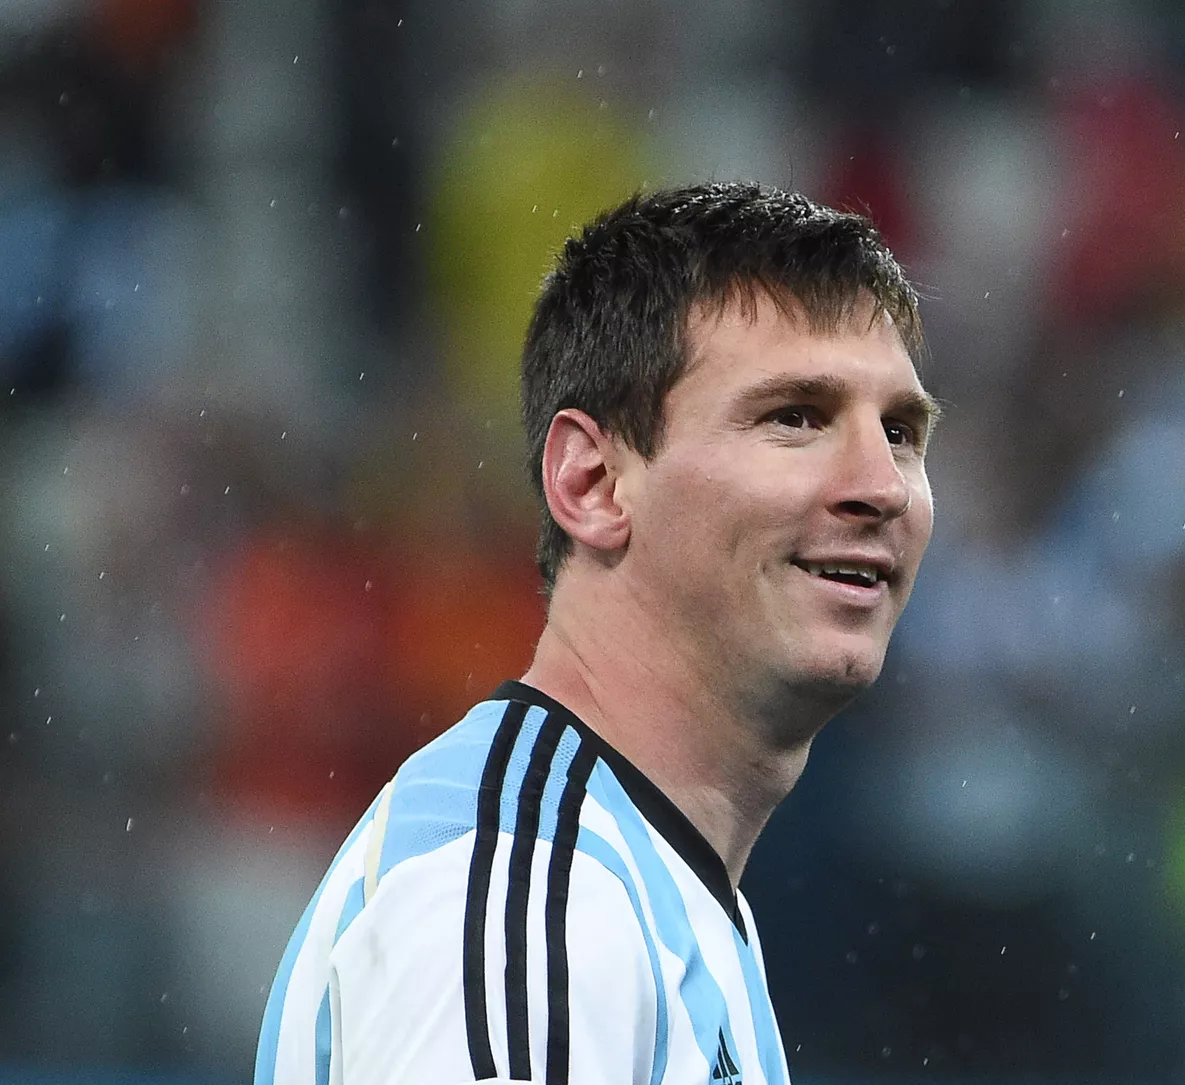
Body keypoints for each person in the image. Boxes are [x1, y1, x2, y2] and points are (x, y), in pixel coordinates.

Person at [254, 181, 938, 1085]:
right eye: (795, 417)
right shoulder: (535, 893)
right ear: (593, 484)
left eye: (901, 431)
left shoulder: (647, 891)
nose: (882, 485)